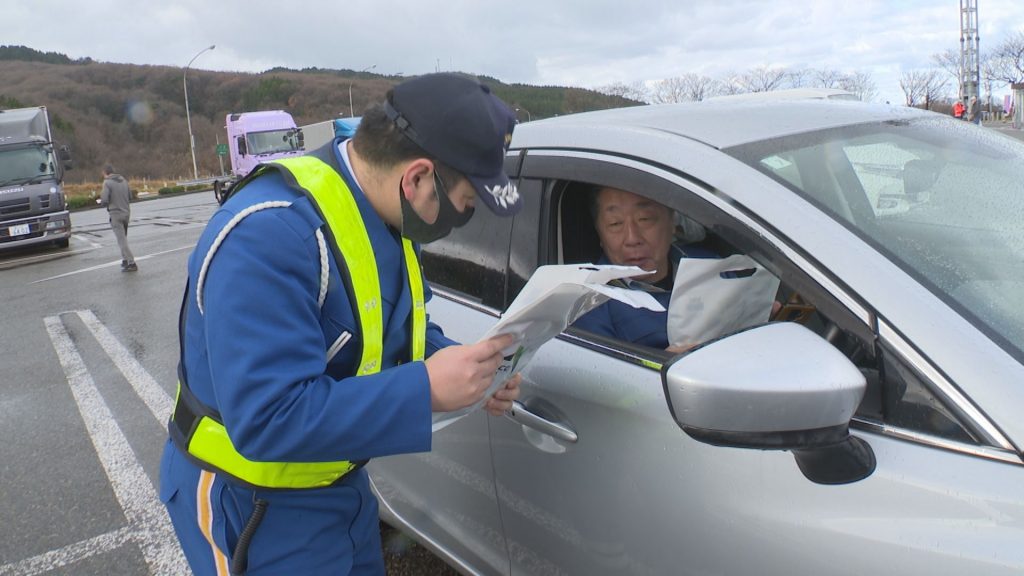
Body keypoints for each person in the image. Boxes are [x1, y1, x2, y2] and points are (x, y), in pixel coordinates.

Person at [160, 73, 523, 575]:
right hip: (253, 507)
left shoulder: (382, 214)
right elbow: (268, 417)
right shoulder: (270, 235)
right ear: (417, 178)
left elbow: (391, 327)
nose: (459, 223)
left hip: (338, 486)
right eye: (464, 206)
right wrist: (426, 390)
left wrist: (465, 366)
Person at [572, 186, 718, 352]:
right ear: (600, 235)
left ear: (672, 223)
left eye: (644, 219)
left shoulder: (711, 267)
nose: (632, 238)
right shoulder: (590, 303)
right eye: (615, 223)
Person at [98, 164, 137, 271]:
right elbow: (130, 196)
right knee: (123, 237)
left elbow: (105, 199)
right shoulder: (124, 181)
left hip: (115, 214)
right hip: (126, 212)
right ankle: (125, 260)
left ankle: (131, 262)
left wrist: (102, 202)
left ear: (105, 173)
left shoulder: (107, 183)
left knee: (121, 240)